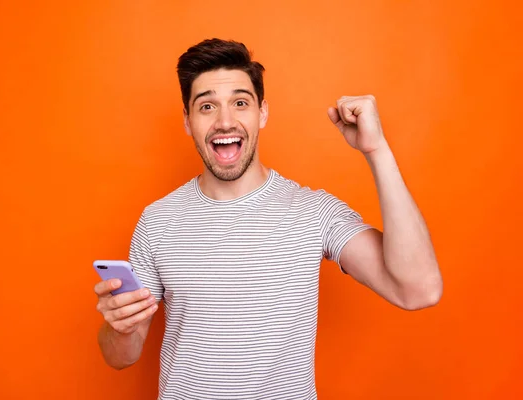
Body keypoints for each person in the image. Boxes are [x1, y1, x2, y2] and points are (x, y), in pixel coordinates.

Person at [94, 38, 443, 399]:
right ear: (188, 121)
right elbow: (122, 356)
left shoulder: (313, 212)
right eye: (207, 106)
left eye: (240, 103)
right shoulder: (157, 221)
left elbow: (419, 289)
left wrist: (376, 150)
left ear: (262, 113)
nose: (225, 121)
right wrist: (118, 327)